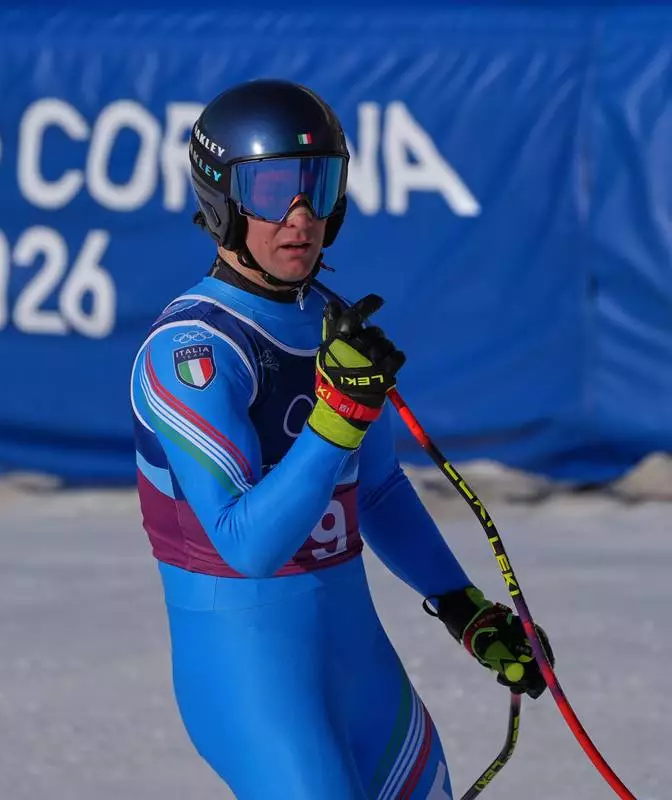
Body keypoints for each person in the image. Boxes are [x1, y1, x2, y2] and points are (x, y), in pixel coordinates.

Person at [128, 78, 554, 799]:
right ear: (222, 200)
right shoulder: (193, 351)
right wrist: (336, 422)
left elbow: (377, 489)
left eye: (318, 186)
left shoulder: (329, 319)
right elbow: (245, 545)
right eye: (272, 191)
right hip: (252, 677)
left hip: (359, 665)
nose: (300, 216)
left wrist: (462, 608)